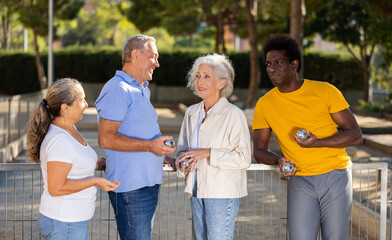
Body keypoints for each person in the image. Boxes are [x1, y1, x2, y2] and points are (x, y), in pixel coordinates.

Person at [252, 34, 363, 240]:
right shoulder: (265, 104)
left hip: (335, 175)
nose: (271, 69)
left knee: (336, 237)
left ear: (294, 65)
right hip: (300, 179)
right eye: (268, 64)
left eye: (278, 63)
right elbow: (258, 149)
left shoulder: (324, 91)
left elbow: (355, 135)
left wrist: (317, 143)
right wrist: (278, 160)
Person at [95, 34, 176, 240]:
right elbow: (106, 139)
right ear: (135, 55)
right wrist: (151, 146)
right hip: (131, 188)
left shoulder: (141, 89)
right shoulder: (118, 89)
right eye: (153, 57)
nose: (157, 64)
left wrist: (162, 155)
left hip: (146, 184)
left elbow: (139, 134)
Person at [26, 78, 120, 240]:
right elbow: (56, 188)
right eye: (81, 100)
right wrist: (96, 181)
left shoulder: (70, 129)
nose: (86, 104)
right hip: (64, 222)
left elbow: (74, 162)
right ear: (65, 108)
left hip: (72, 222)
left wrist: (98, 163)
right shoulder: (59, 140)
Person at [176, 53, 251, 240]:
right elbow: (182, 151)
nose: (199, 81)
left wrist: (208, 153)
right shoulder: (192, 113)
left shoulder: (234, 115)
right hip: (195, 189)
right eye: (198, 76)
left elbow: (243, 158)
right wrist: (183, 163)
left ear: (222, 83)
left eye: (206, 76)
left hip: (222, 193)